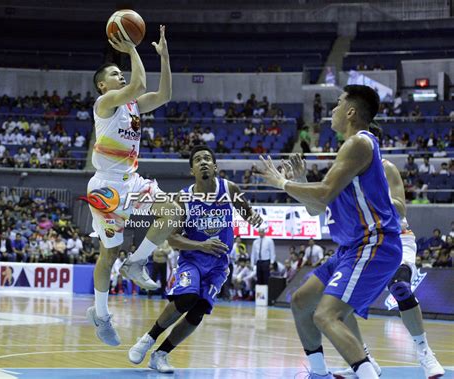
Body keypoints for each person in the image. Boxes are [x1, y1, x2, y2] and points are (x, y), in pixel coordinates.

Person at [257, 85, 402, 379]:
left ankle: (366, 372)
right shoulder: (347, 153)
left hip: (374, 244)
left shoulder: (359, 144)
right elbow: (317, 207)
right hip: (351, 248)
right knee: (301, 302)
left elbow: (322, 194)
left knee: (326, 315)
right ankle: (319, 374)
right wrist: (300, 181)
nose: (332, 110)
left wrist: (281, 183)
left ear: (351, 112)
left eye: (337, 104)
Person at [83, 25, 181, 347]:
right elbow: (138, 81)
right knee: (107, 256)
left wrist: (165, 57)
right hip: (107, 189)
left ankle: (137, 261)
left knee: (172, 212)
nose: (120, 76)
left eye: (120, 72)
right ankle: (101, 314)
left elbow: (164, 95)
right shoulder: (105, 103)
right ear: (102, 84)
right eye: (114, 73)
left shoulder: (133, 106)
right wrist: (132, 49)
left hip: (133, 181)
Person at [126, 145, 262, 373]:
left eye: (207, 158)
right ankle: (149, 338)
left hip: (219, 264)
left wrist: (254, 218)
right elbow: (173, 239)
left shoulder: (230, 189)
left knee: (198, 310)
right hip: (193, 260)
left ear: (215, 166)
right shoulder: (183, 198)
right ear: (192, 170)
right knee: (187, 297)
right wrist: (202, 245)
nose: (203, 162)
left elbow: (248, 213)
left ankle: (160, 355)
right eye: (198, 160)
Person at [332, 126, 445, 379]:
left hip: (397, 239)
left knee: (400, 286)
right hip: (365, 243)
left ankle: (425, 353)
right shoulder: (343, 174)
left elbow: (401, 209)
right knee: (337, 303)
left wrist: (371, 196)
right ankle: (364, 359)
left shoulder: (385, 168)